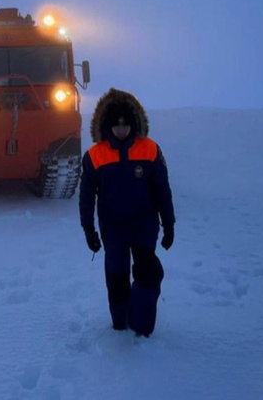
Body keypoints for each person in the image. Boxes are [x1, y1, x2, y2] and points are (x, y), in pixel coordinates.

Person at [79, 88, 175, 337]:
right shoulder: (94, 156)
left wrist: (169, 224)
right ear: (108, 126)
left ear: (133, 123)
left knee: (146, 272)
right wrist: (89, 230)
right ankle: (120, 322)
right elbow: (87, 197)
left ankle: (142, 326)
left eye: (125, 124)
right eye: (116, 125)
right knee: (117, 275)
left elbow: (162, 189)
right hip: (113, 228)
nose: (121, 130)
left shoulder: (150, 150)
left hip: (144, 224)